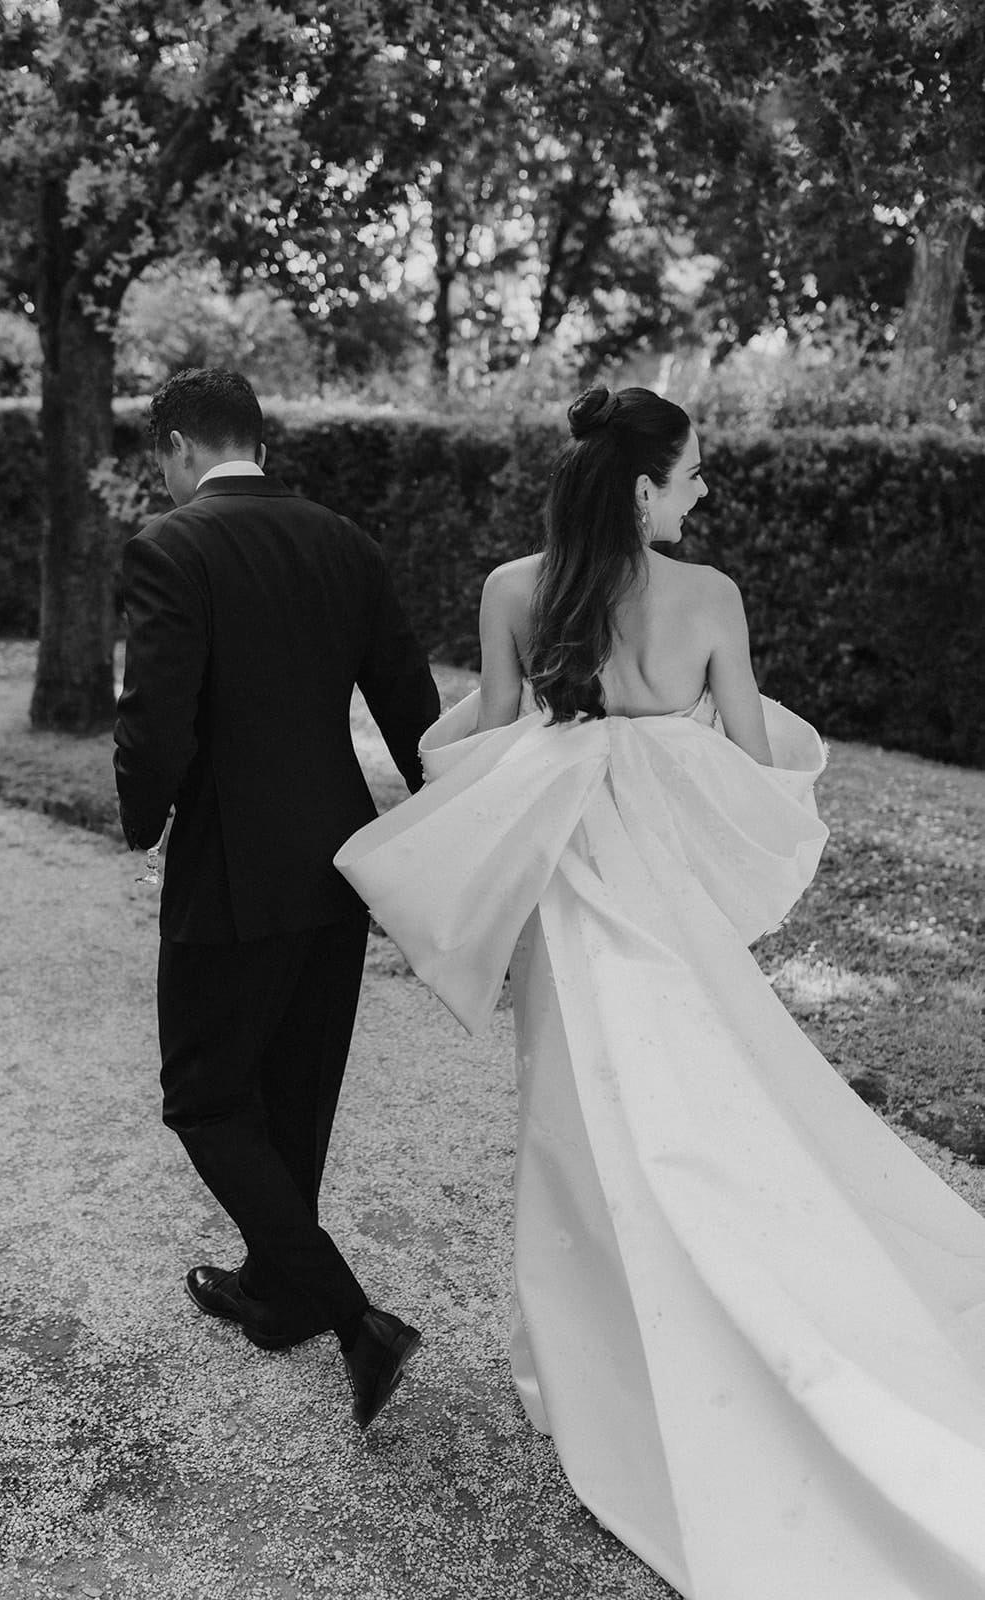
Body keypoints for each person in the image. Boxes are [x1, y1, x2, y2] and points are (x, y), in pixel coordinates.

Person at [335, 387, 985, 1593]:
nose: (703, 490)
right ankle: (733, 1308)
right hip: (664, 902)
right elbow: (751, 766)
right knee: (701, 1103)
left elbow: (487, 750)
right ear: (642, 489)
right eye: (691, 473)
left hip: (567, 892)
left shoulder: (511, 590)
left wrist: (558, 753)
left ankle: (601, 1358)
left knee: (573, 1125)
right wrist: (678, 747)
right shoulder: (710, 598)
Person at [113, 367, 439, 1430]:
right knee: (296, 1092)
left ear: (176, 446)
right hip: (338, 859)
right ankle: (276, 1291)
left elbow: (155, 717)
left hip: (229, 863)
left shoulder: (172, 546)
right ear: (258, 439)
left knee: (205, 1097)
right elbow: (410, 704)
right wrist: (446, 827)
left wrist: (142, 819)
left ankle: (351, 1317)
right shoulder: (345, 543)